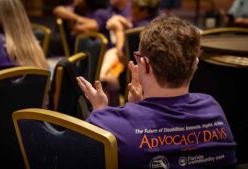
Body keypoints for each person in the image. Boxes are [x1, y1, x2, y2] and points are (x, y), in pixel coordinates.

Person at [77, 16, 237, 169]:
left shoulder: (108, 125)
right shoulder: (213, 109)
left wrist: (100, 110)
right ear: (195, 63)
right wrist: (136, 109)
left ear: (145, 65)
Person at [99, 0, 159, 91]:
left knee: (113, 53)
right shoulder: (156, 24)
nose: (131, 10)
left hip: (134, 75)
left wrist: (118, 30)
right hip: (155, 75)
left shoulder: (136, 33)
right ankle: (103, 76)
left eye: (134, 8)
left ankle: (103, 77)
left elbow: (122, 54)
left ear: (145, 11)